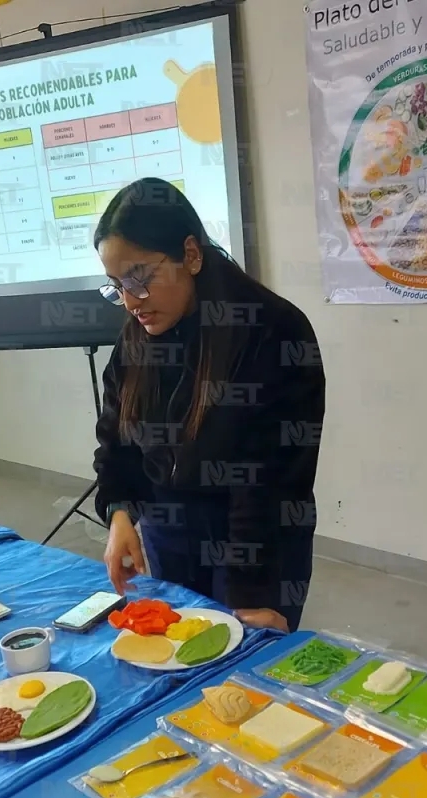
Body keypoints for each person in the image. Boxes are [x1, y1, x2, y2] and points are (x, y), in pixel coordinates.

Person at [92, 178, 326, 631]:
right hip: (170, 532)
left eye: (140, 278)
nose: (129, 301)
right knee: (176, 656)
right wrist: (121, 513)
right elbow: (116, 437)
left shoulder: (274, 330)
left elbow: (271, 481)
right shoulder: (139, 337)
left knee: (240, 683)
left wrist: (255, 596)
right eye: (116, 285)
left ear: (191, 255)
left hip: (259, 539)